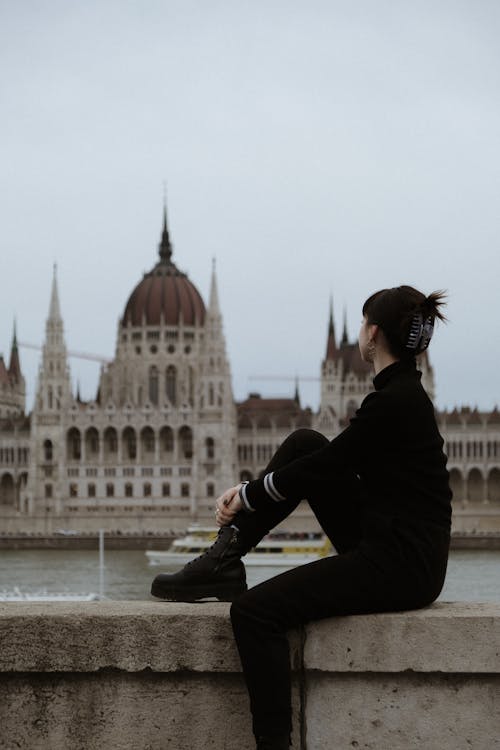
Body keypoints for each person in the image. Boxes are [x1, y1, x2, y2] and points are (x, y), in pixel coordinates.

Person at [151, 285, 452, 750]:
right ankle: (223, 560)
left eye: (362, 324)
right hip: (395, 544)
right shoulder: (402, 393)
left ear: (372, 334)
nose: (358, 332)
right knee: (306, 441)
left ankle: (274, 743)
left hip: (401, 566)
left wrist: (248, 494)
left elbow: (328, 469)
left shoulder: (394, 403)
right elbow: (323, 461)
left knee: (253, 614)